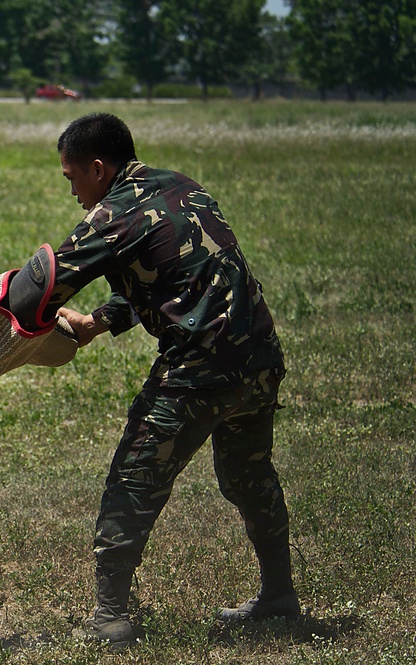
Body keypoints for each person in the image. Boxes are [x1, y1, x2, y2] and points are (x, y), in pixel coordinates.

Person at [43, 113, 297, 649]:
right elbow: (174, 272)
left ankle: (109, 618)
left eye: (71, 178)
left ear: (96, 167)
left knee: (133, 482)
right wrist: (97, 322)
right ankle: (280, 596)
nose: (72, 192)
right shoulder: (182, 186)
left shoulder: (112, 212)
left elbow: (44, 284)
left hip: (200, 367)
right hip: (258, 357)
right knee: (249, 479)